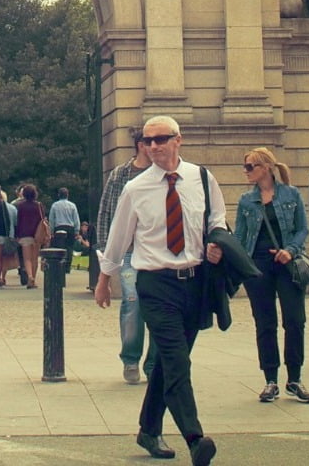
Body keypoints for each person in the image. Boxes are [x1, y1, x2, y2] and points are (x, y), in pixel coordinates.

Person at [94, 116, 224, 466]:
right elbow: (118, 236)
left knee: (169, 363)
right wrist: (105, 280)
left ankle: (148, 429)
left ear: (178, 140)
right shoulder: (135, 188)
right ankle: (196, 438)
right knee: (177, 360)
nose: (153, 146)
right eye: (147, 141)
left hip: (195, 283)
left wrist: (217, 244)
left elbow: (217, 222)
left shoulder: (202, 178)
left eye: (160, 139)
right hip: (155, 284)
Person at [233, 147, 309, 403]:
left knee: (294, 320)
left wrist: (290, 250)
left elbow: (302, 228)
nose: (246, 172)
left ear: (265, 167)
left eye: (250, 167)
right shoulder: (247, 200)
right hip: (258, 265)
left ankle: (295, 378)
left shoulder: (291, 194)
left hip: (287, 263)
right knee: (265, 323)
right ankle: (270, 380)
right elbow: (240, 236)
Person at [96, 128, 157, 384]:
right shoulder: (121, 174)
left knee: (159, 308)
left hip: (157, 252)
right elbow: (106, 209)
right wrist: (104, 252)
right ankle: (131, 359)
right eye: (152, 142)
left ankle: (154, 363)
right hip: (130, 252)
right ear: (140, 145)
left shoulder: (166, 175)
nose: (156, 148)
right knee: (132, 302)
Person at [14, 184, 45, 288]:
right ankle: (34, 279)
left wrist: (17, 234)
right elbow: (42, 219)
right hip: (37, 234)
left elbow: (19, 221)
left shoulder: (21, 206)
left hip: (24, 234)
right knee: (35, 258)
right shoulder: (39, 205)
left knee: (27, 259)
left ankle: (30, 276)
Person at [49, 187, 81, 264]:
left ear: (58, 195)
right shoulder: (72, 205)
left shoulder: (55, 205)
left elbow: (52, 219)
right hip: (70, 227)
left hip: (59, 227)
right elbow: (76, 219)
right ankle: (68, 266)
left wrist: (51, 231)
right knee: (69, 247)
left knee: (59, 247)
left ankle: (59, 265)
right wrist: (77, 230)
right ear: (67, 195)